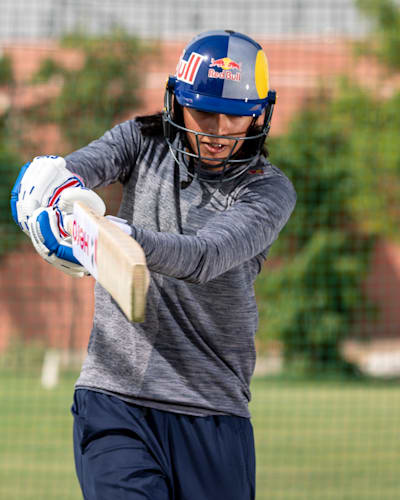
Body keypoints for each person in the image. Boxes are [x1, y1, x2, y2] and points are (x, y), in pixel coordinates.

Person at [11, 30, 296, 500]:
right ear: (176, 102)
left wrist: (117, 237)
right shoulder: (139, 141)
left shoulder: (268, 190)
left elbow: (206, 255)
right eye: (204, 111)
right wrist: (50, 192)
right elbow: (74, 174)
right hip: (114, 397)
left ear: (260, 114)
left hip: (212, 409)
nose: (219, 130)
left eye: (236, 116)